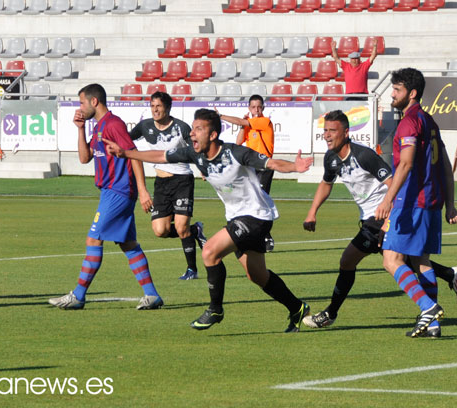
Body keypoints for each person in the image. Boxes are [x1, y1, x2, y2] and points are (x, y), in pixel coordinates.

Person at [104, 108, 313, 332]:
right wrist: (126, 153)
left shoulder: (235, 152)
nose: (192, 133)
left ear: (213, 134)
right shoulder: (195, 154)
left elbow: (271, 164)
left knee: (210, 252)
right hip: (237, 216)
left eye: (198, 129)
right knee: (257, 275)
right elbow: (160, 155)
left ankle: (215, 309)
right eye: (192, 129)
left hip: (256, 216)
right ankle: (297, 307)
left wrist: (294, 166)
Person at [301, 110, 457, 333]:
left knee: (373, 261)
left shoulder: (364, 156)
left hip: (382, 218)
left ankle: (331, 314)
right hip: (370, 220)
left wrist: (389, 210)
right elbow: (325, 184)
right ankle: (447, 279)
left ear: (346, 132)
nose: (327, 135)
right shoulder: (332, 158)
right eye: (325, 131)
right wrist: (312, 212)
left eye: (332, 130)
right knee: (405, 261)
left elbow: (392, 181)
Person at [48, 83, 164, 311]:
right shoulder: (98, 127)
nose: (79, 107)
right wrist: (80, 129)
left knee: (93, 239)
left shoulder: (113, 124)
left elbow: (134, 155)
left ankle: (78, 296)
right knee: (128, 244)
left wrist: (142, 190)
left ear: (94, 101)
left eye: (82, 102)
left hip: (118, 192)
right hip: (111, 192)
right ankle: (152, 295)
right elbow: (84, 158)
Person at [374, 68, 457, 338]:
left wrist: (388, 200)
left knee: (391, 259)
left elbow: (407, 163)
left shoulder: (410, 122)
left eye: (396, 90)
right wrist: (450, 204)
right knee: (422, 261)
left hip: (411, 201)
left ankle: (428, 307)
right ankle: (433, 326)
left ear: (411, 93)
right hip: (431, 200)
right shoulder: (430, 121)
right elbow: (445, 165)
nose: (392, 95)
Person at [129, 91, 207, 280]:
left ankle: (192, 270)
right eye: (153, 106)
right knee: (160, 230)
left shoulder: (181, 127)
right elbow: (127, 140)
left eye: (159, 106)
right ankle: (196, 231)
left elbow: (196, 149)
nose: (155, 110)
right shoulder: (145, 126)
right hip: (161, 183)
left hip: (182, 180)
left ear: (168, 108)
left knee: (181, 227)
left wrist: (203, 168)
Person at [217, 94, 276, 250]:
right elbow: (238, 142)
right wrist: (244, 126)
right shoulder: (249, 124)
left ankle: (266, 236)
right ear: (249, 108)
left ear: (263, 108)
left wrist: (220, 116)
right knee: (250, 201)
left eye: (259, 107)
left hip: (264, 166)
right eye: (253, 107)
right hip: (250, 167)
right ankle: (255, 235)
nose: (256, 110)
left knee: (261, 200)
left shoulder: (264, 121)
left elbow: (240, 121)